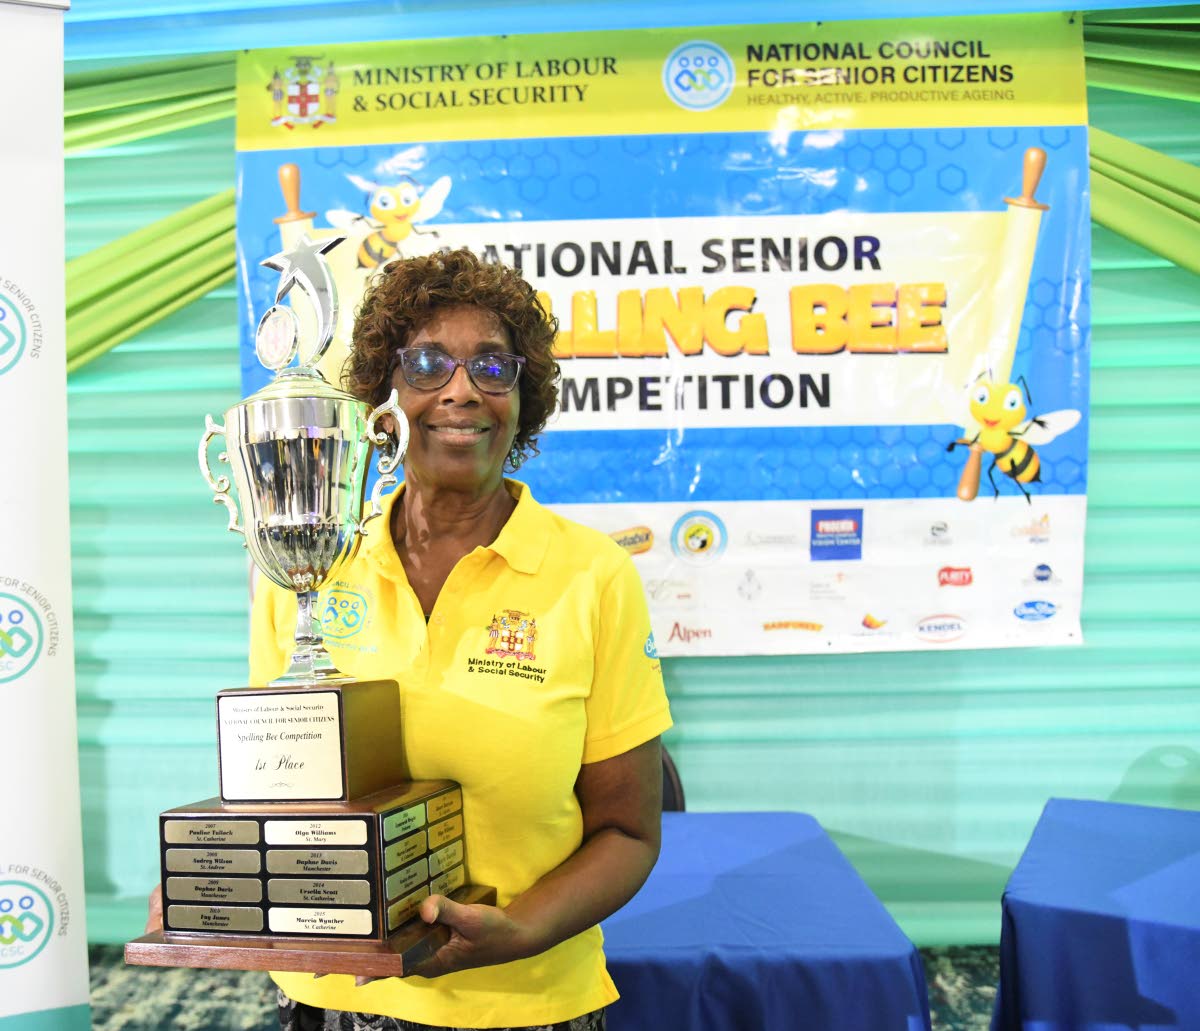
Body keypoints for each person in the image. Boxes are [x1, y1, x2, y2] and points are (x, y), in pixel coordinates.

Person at [252, 248, 671, 1030]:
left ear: (524, 396)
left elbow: (628, 830)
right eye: (427, 363)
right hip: (331, 996)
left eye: (491, 366)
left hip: (522, 1002)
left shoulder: (593, 576)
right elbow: (271, 786)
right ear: (383, 394)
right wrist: (229, 878)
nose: (461, 391)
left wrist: (524, 929)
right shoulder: (309, 563)